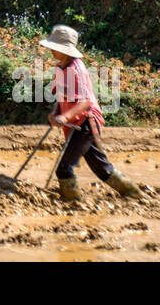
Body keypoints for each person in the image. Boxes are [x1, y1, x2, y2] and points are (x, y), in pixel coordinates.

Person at [40, 24, 141, 202]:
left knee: (64, 168)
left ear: (66, 49)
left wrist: (64, 117)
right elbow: (60, 95)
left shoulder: (76, 68)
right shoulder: (60, 67)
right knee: (101, 167)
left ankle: (73, 202)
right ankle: (133, 193)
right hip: (75, 123)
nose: (52, 51)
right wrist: (55, 112)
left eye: (55, 48)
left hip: (86, 123)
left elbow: (85, 101)